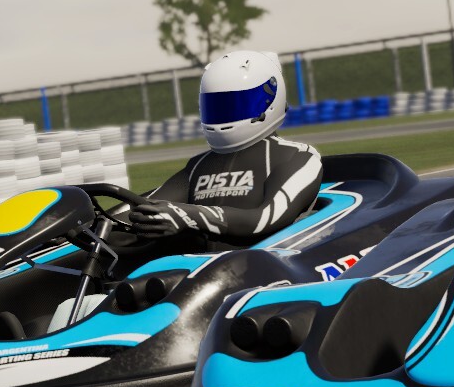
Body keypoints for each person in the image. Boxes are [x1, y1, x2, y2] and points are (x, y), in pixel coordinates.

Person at [125, 50, 323, 249]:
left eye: (235, 104)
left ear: (269, 101)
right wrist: (106, 222)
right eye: (216, 106)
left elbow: (265, 218)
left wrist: (189, 216)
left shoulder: (300, 158)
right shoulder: (198, 166)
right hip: (198, 265)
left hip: (268, 264)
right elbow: (144, 209)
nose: (223, 113)